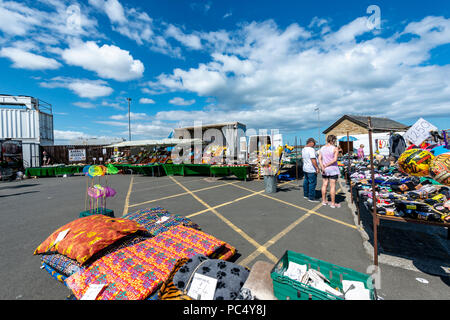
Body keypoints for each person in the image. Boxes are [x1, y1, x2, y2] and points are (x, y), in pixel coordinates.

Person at [319, 135, 341, 208]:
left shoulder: (322, 148)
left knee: (324, 184)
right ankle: (333, 203)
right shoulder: (335, 148)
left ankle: (324, 201)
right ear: (333, 140)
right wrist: (326, 165)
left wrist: (323, 166)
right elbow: (334, 160)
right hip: (332, 169)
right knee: (332, 186)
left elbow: (319, 159)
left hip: (324, 169)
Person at [302, 138, 320, 202]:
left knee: (306, 181)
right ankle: (311, 197)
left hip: (305, 168)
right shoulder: (311, 149)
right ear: (311, 142)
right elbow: (313, 159)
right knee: (312, 183)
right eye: (314, 143)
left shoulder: (304, 149)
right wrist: (317, 168)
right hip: (311, 169)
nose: (315, 144)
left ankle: (306, 194)